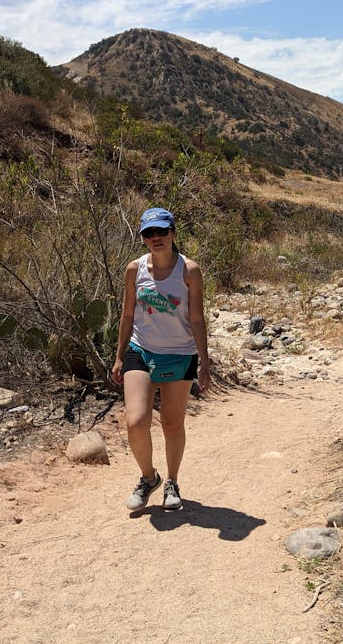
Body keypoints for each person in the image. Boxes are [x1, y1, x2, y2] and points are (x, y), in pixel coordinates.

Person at [112, 207, 211, 512]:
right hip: (140, 350)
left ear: (173, 233)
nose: (156, 238)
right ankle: (148, 477)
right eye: (149, 233)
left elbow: (196, 318)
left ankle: (172, 482)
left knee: (171, 422)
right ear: (142, 237)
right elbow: (128, 314)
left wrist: (204, 363)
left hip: (180, 354)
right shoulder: (134, 270)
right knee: (136, 422)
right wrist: (118, 357)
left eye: (161, 231)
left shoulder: (189, 270)